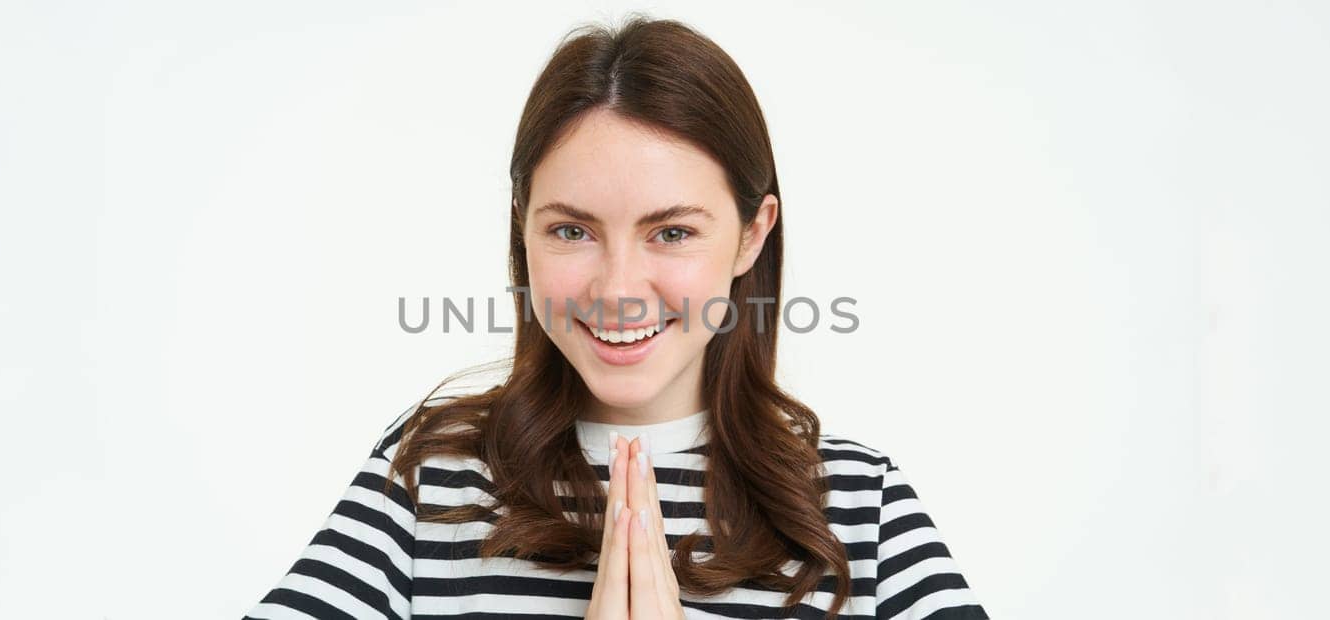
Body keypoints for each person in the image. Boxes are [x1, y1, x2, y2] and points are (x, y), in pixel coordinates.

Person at [245, 16, 987, 620]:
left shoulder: (860, 510)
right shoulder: (430, 477)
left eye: (672, 232)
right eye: (572, 230)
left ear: (751, 235)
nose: (619, 289)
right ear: (522, 227)